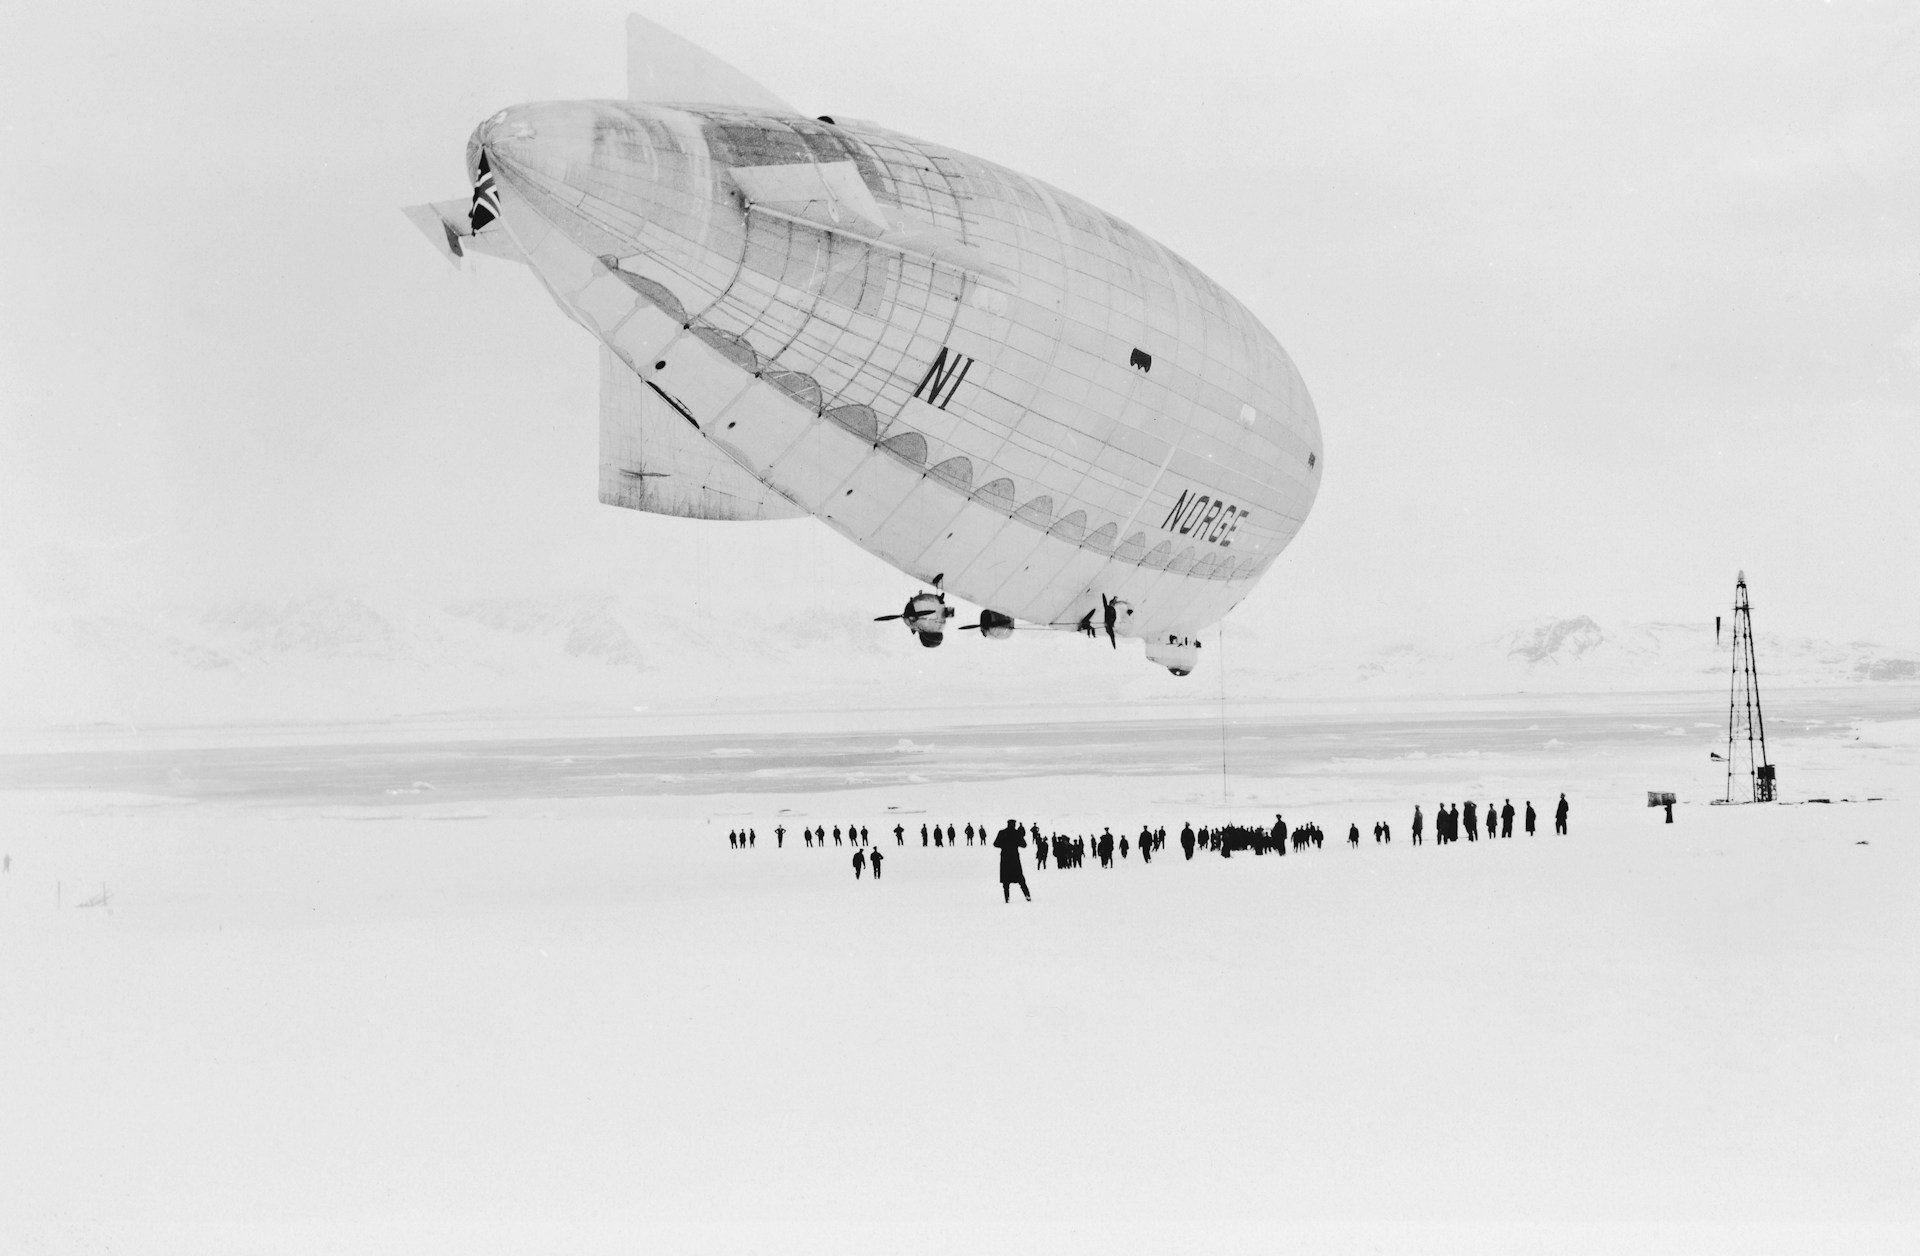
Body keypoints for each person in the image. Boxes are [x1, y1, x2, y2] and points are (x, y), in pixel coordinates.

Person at [992, 818, 1031, 903]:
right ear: (1014, 824)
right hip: (1014, 858)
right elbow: (1024, 845)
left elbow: (995, 844)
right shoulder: (1016, 833)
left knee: (1005, 881)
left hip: (1005, 858)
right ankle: (1027, 895)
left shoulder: (1002, 833)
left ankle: (1007, 898)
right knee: (1020, 879)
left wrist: (1004, 844)